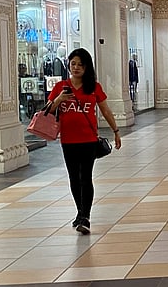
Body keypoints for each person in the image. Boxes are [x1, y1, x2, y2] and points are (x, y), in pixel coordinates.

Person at [47, 48, 120, 235]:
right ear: (68, 65)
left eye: (80, 64)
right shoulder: (61, 87)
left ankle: (85, 217)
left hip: (88, 139)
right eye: (73, 64)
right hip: (68, 140)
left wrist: (116, 131)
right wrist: (59, 99)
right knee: (73, 178)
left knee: (85, 177)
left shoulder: (93, 87)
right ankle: (80, 212)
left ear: (87, 67)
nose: (76, 67)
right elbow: (47, 110)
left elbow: (106, 110)